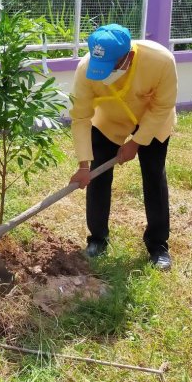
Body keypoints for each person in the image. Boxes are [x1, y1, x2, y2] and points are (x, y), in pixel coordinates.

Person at [69, 23, 177, 270]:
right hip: (110, 121)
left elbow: (162, 106)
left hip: (153, 121)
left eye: (110, 68)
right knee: (98, 176)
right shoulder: (86, 69)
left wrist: (137, 143)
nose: (104, 74)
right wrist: (83, 164)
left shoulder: (160, 61)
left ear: (128, 57)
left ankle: (158, 245)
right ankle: (97, 239)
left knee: (153, 175)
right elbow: (81, 117)